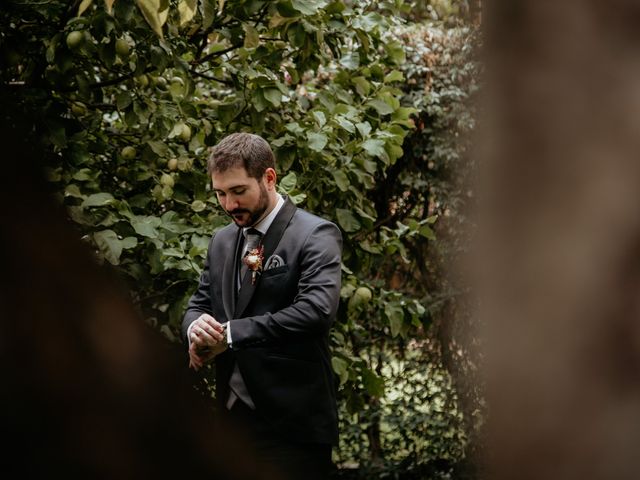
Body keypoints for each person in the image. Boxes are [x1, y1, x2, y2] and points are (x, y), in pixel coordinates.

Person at [182, 132, 342, 479]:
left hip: (292, 426)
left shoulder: (315, 234)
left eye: (238, 191)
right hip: (230, 425)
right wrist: (196, 329)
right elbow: (199, 304)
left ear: (269, 178)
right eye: (221, 194)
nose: (229, 205)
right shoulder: (222, 241)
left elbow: (316, 311)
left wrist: (229, 334)